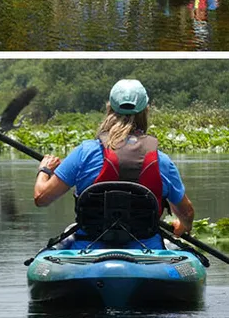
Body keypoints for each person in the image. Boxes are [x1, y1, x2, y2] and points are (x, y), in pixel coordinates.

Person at [31, 79, 195, 249]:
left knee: (69, 232)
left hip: (90, 244)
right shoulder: (161, 161)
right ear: (146, 111)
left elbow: (41, 198)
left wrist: (45, 170)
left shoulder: (84, 153)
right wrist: (183, 226)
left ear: (109, 109)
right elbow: (187, 212)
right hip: (145, 246)